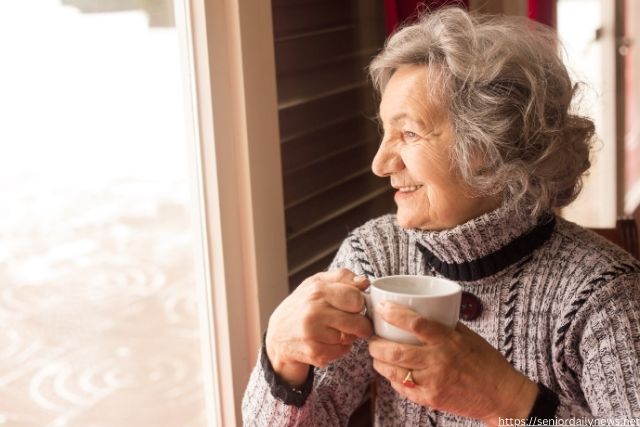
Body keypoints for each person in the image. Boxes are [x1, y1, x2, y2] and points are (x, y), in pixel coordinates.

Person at [242, 7, 640, 426]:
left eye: (409, 133)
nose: (380, 163)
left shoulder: (603, 294)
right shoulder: (376, 255)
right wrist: (282, 356)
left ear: (490, 145)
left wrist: (509, 400)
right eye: (385, 132)